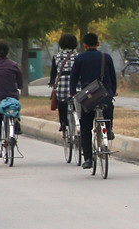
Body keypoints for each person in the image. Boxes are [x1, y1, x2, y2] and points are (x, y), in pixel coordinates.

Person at [70, 33, 117, 169]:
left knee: (85, 127)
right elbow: (113, 79)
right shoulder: (105, 57)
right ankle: (108, 129)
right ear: (98, 44)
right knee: (109, 108)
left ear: (84, 45)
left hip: (88, 97)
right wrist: (111, 92)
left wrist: (73, 92)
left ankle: (88, 159)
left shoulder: (80, 58)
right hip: (104, 94)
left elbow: (74, 78)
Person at [48, 34, 79, 132]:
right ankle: (78, 120)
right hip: (77, 85)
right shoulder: (78, 56)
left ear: (61, 44)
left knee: (61, 102)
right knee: (77, 102)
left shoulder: (56, 56)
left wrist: (52, 82)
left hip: (62, 85)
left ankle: (63, 123)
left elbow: (53, 72)